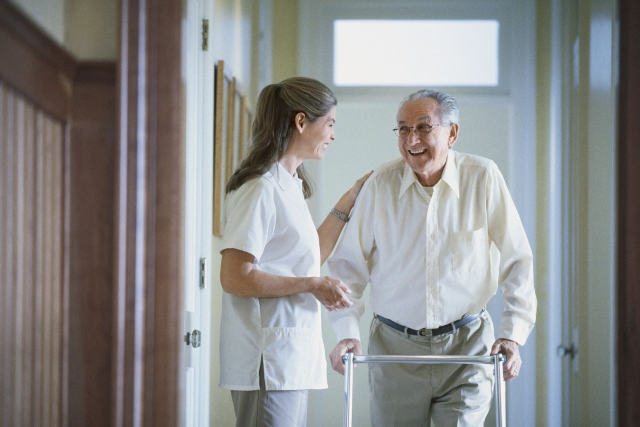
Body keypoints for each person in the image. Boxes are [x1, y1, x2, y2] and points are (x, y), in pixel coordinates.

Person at [327, 89, 537, 426]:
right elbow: (346, 269)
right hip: (394, 350)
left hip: (467, 348)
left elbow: (517, 260)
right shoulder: (380, 185)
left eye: (424, 128)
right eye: (404, 129)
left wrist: (512, 333)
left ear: (452, 133)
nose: (412, 139)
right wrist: (346, 331)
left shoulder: (483, 177)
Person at [219, 77, 371, 427]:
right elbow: (234, 276)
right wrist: (312, 285)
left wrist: (349, 200)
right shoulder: (259, 188)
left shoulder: (290, 185)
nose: (333, 135)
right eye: (330, 124)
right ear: (301, 122)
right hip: (266, 361)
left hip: (288, 357)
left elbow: (308, 256)